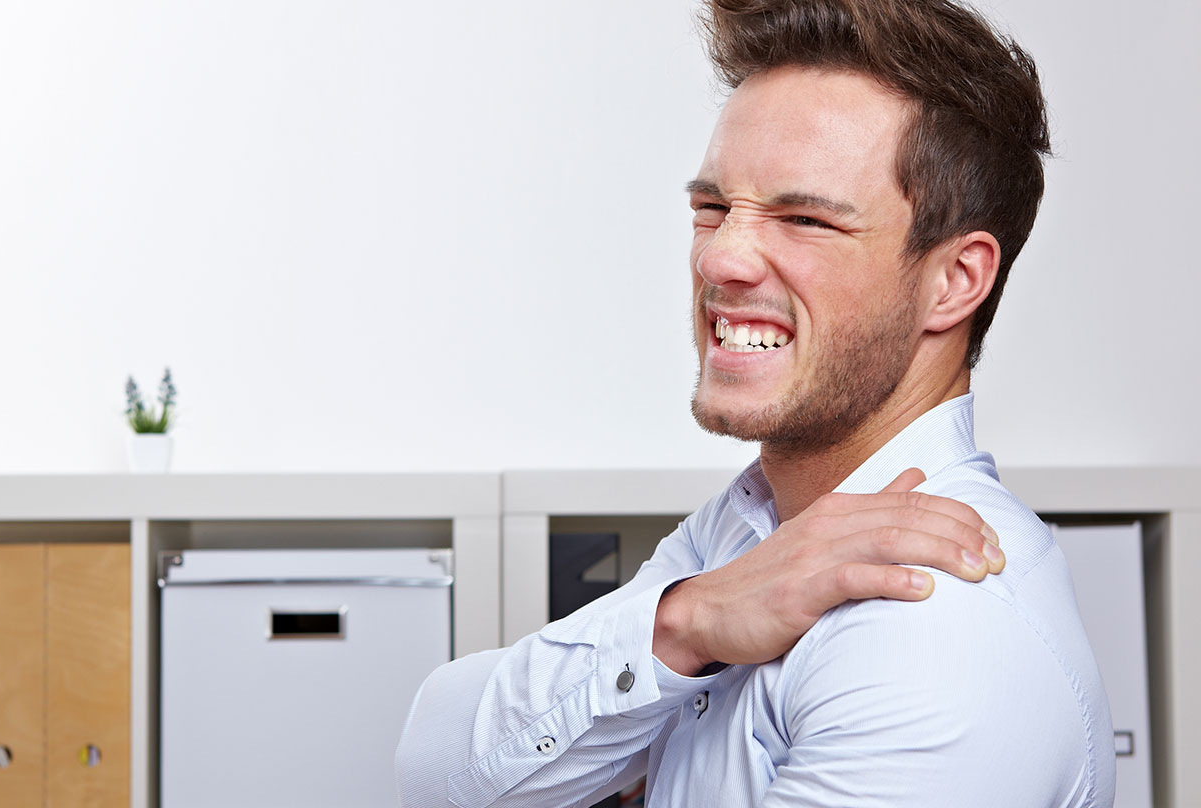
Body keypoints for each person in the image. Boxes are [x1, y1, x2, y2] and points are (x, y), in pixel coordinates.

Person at [396, 0, 1114, 805]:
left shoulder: (938, 628)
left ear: (954, 281)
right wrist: (682, 623)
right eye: (713, 208)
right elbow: (438, 772)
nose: (722, 257)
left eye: (804, 218)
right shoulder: (749, 538)